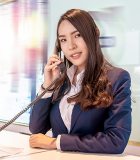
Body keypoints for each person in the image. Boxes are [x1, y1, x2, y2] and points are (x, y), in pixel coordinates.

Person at [29, 9, 131, 154]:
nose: (71, 46)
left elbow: (116, 141)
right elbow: (36, 129)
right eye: (63, 40)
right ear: (58, 47)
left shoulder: (117, 79)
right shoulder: (61, 82)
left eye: (77, 35)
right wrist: (48, 87)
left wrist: (56, 142)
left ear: (95, 34)